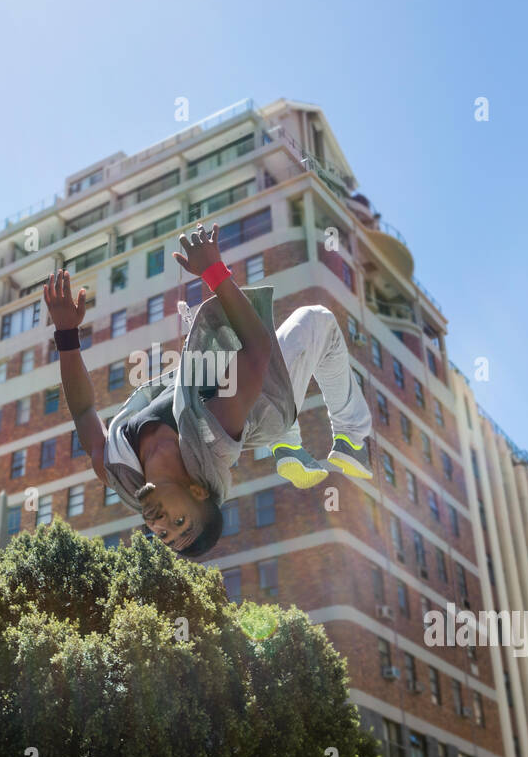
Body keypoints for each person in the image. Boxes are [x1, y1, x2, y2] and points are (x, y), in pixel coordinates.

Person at [45, 221, 373, 560]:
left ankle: (288, 442)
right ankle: (352, 438)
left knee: (232, 376)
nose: (163, 525)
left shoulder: (117, 467)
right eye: (180, 522)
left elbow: (84, 412)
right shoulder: (210, 437)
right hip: (269, 397)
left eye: (164, 536)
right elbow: (257, 349)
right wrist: (215, 271)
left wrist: (66, 334)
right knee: (317, 319)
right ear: (198, 491)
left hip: (237, 397)